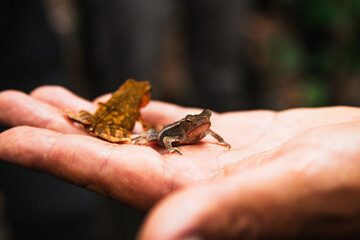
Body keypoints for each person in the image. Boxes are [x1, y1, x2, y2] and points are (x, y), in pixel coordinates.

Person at [1, 86, 360, 239]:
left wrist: (221, 139)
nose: (204, 126)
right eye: (200, 123)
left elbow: (212, 134)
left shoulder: (203, 131)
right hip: (162, 133)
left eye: (206, 123)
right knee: (153, 135)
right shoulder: (183, 131)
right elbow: (169, 137)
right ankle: (140, 137)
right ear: (192, 125)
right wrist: (163, 144)